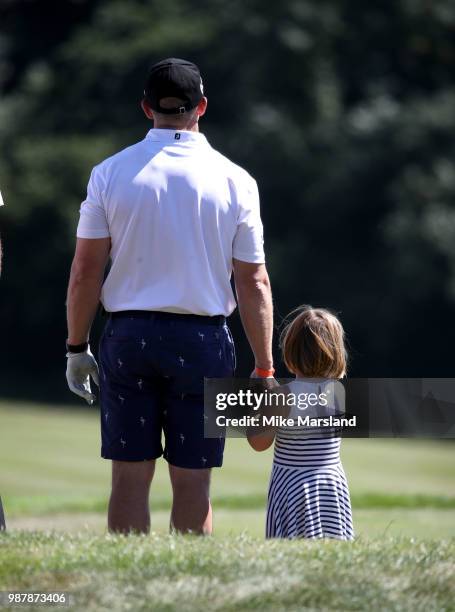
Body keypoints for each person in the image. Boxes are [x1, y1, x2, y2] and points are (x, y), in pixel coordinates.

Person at [65, 58, 274, 535]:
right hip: (203, 340)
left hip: (129, 336)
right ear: (201, 106)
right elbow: (254, 281)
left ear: (146, 108)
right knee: (194, 480)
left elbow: (85, 271)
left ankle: (127, 592)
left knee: (129, 477)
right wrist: (263, 367)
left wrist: (77, 348)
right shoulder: (237, 180)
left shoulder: (109, 173)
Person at [247, 306, 354, 540]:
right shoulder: (338, 393)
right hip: (330, 484)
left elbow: (258, 441)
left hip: (294, 486)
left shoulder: (283, 396)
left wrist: (260, 398)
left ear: (291, 352)